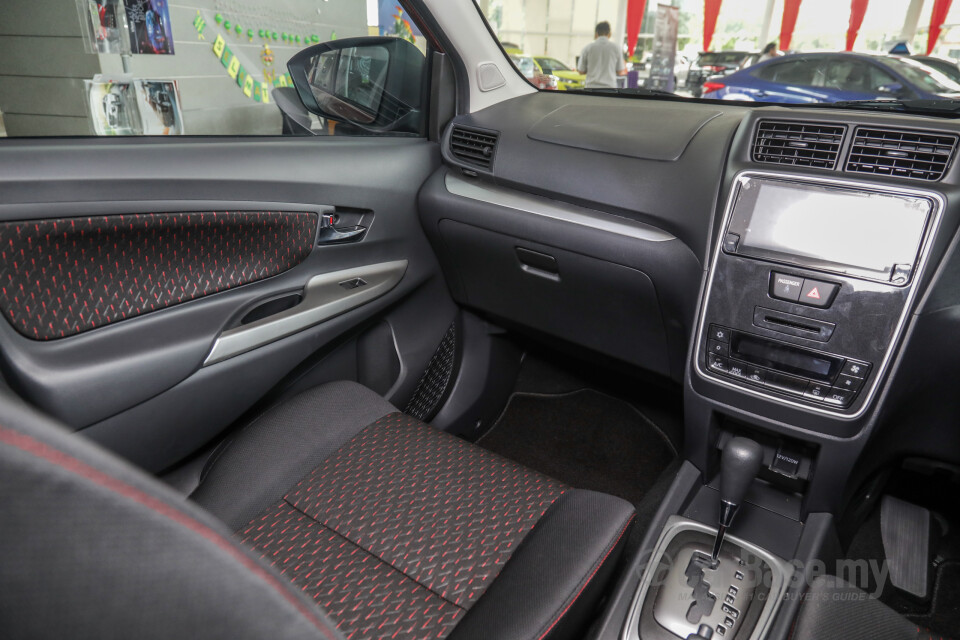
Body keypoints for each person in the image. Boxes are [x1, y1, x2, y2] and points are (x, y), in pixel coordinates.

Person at [578, 21, 626, 89]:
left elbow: (581, 71)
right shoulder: (616, 48)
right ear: (609, 34)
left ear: (596, 34)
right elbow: (620, 71)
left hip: (591, 87)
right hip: (610, 88)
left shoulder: (587, 48)